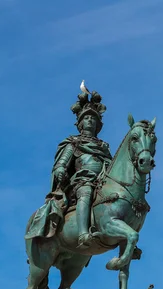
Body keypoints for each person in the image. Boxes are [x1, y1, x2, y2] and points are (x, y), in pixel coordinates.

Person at [26, 86, 112, 247]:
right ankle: (83, 234)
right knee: (85, 192)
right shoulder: (73, 142)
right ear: (80, 123)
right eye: (86, 118)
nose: (90, 121)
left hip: (102, 182)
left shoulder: (104, 146)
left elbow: (111, 165)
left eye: (93, 119)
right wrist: (60, 170)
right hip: (82, 182)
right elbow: (61, 163)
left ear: (98, 124)